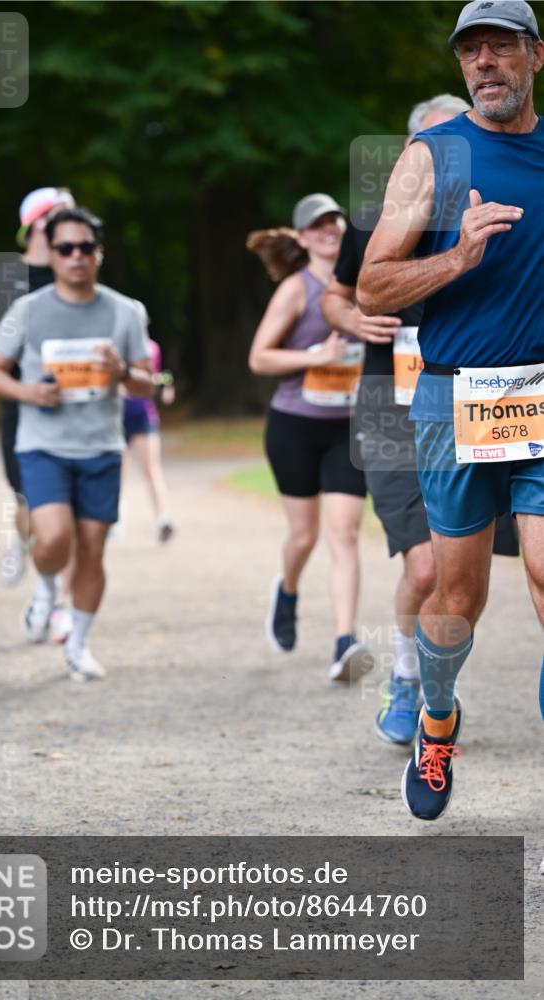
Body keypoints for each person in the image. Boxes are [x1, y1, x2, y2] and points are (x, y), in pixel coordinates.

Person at [356, 0, 543, 819]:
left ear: (536, 55)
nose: (486, 64)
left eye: (502, 48)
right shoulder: (432, 157)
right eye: (472, 51)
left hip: (543, 393)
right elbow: (373, 286)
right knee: (455, 598)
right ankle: (436, 720)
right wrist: (460, 254)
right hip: (453, 395)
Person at [321, 95, 472, 744]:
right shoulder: (373, 222)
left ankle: (436, 685)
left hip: (475, 412)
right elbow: (334, 293)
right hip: (388, 413)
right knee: (423, 569)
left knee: (465, 574)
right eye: (432, 146)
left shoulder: (494, 217)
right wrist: (350, 317)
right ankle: (408, 681)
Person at [0, 207, 154, 681]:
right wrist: (28, 392)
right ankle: (45, 583)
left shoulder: (124, 311)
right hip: (42, 444)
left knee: (93, 550)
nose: (76, 257)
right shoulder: (29, 309)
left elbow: (147, 385)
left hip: (101, 447)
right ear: (51, 254)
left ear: (99, 253)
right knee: (55, 537)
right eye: (65, 249)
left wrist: (121, 371)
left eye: (85, 248)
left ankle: (78, 643)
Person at [248, 193, 373, 682]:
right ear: (302, 238)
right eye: (317, 225)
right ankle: (288, 589)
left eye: (334, 221)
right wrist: (314, 357)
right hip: (295, 426)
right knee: (304, 535)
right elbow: (260, 358)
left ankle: (345, 641)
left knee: (344, 531)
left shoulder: (364, 282)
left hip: (348, 427)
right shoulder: (295, 290)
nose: (328, 229)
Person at [0, 187, 76, 587]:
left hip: (74, 409)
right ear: (40, 223)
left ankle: (52, 595)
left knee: (65, 510)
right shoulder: (10, 276)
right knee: (29, 501)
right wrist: (11, 351)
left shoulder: (75, 270)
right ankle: (22, 545)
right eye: (66, 213)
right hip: (23, 410)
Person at [121, 306, 176, 543]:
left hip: (143, 414)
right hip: (116, 416)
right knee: (118, 473)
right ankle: (115, 520)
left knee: (151, 469)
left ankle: (163, 518)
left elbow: (156, 377)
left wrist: (166, 385)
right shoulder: (115, 349)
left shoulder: (151, 348)